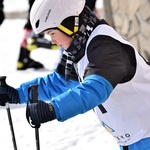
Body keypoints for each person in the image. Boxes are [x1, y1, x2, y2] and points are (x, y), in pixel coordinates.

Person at [0, 0, 150, 150]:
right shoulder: (80, 46)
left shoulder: (105, 48)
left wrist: (53, 108)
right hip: (135, 138)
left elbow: (93, 90)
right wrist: (18, 94)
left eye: (52, 33)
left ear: (69, 23)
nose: (52, 41)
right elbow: (59, 82)